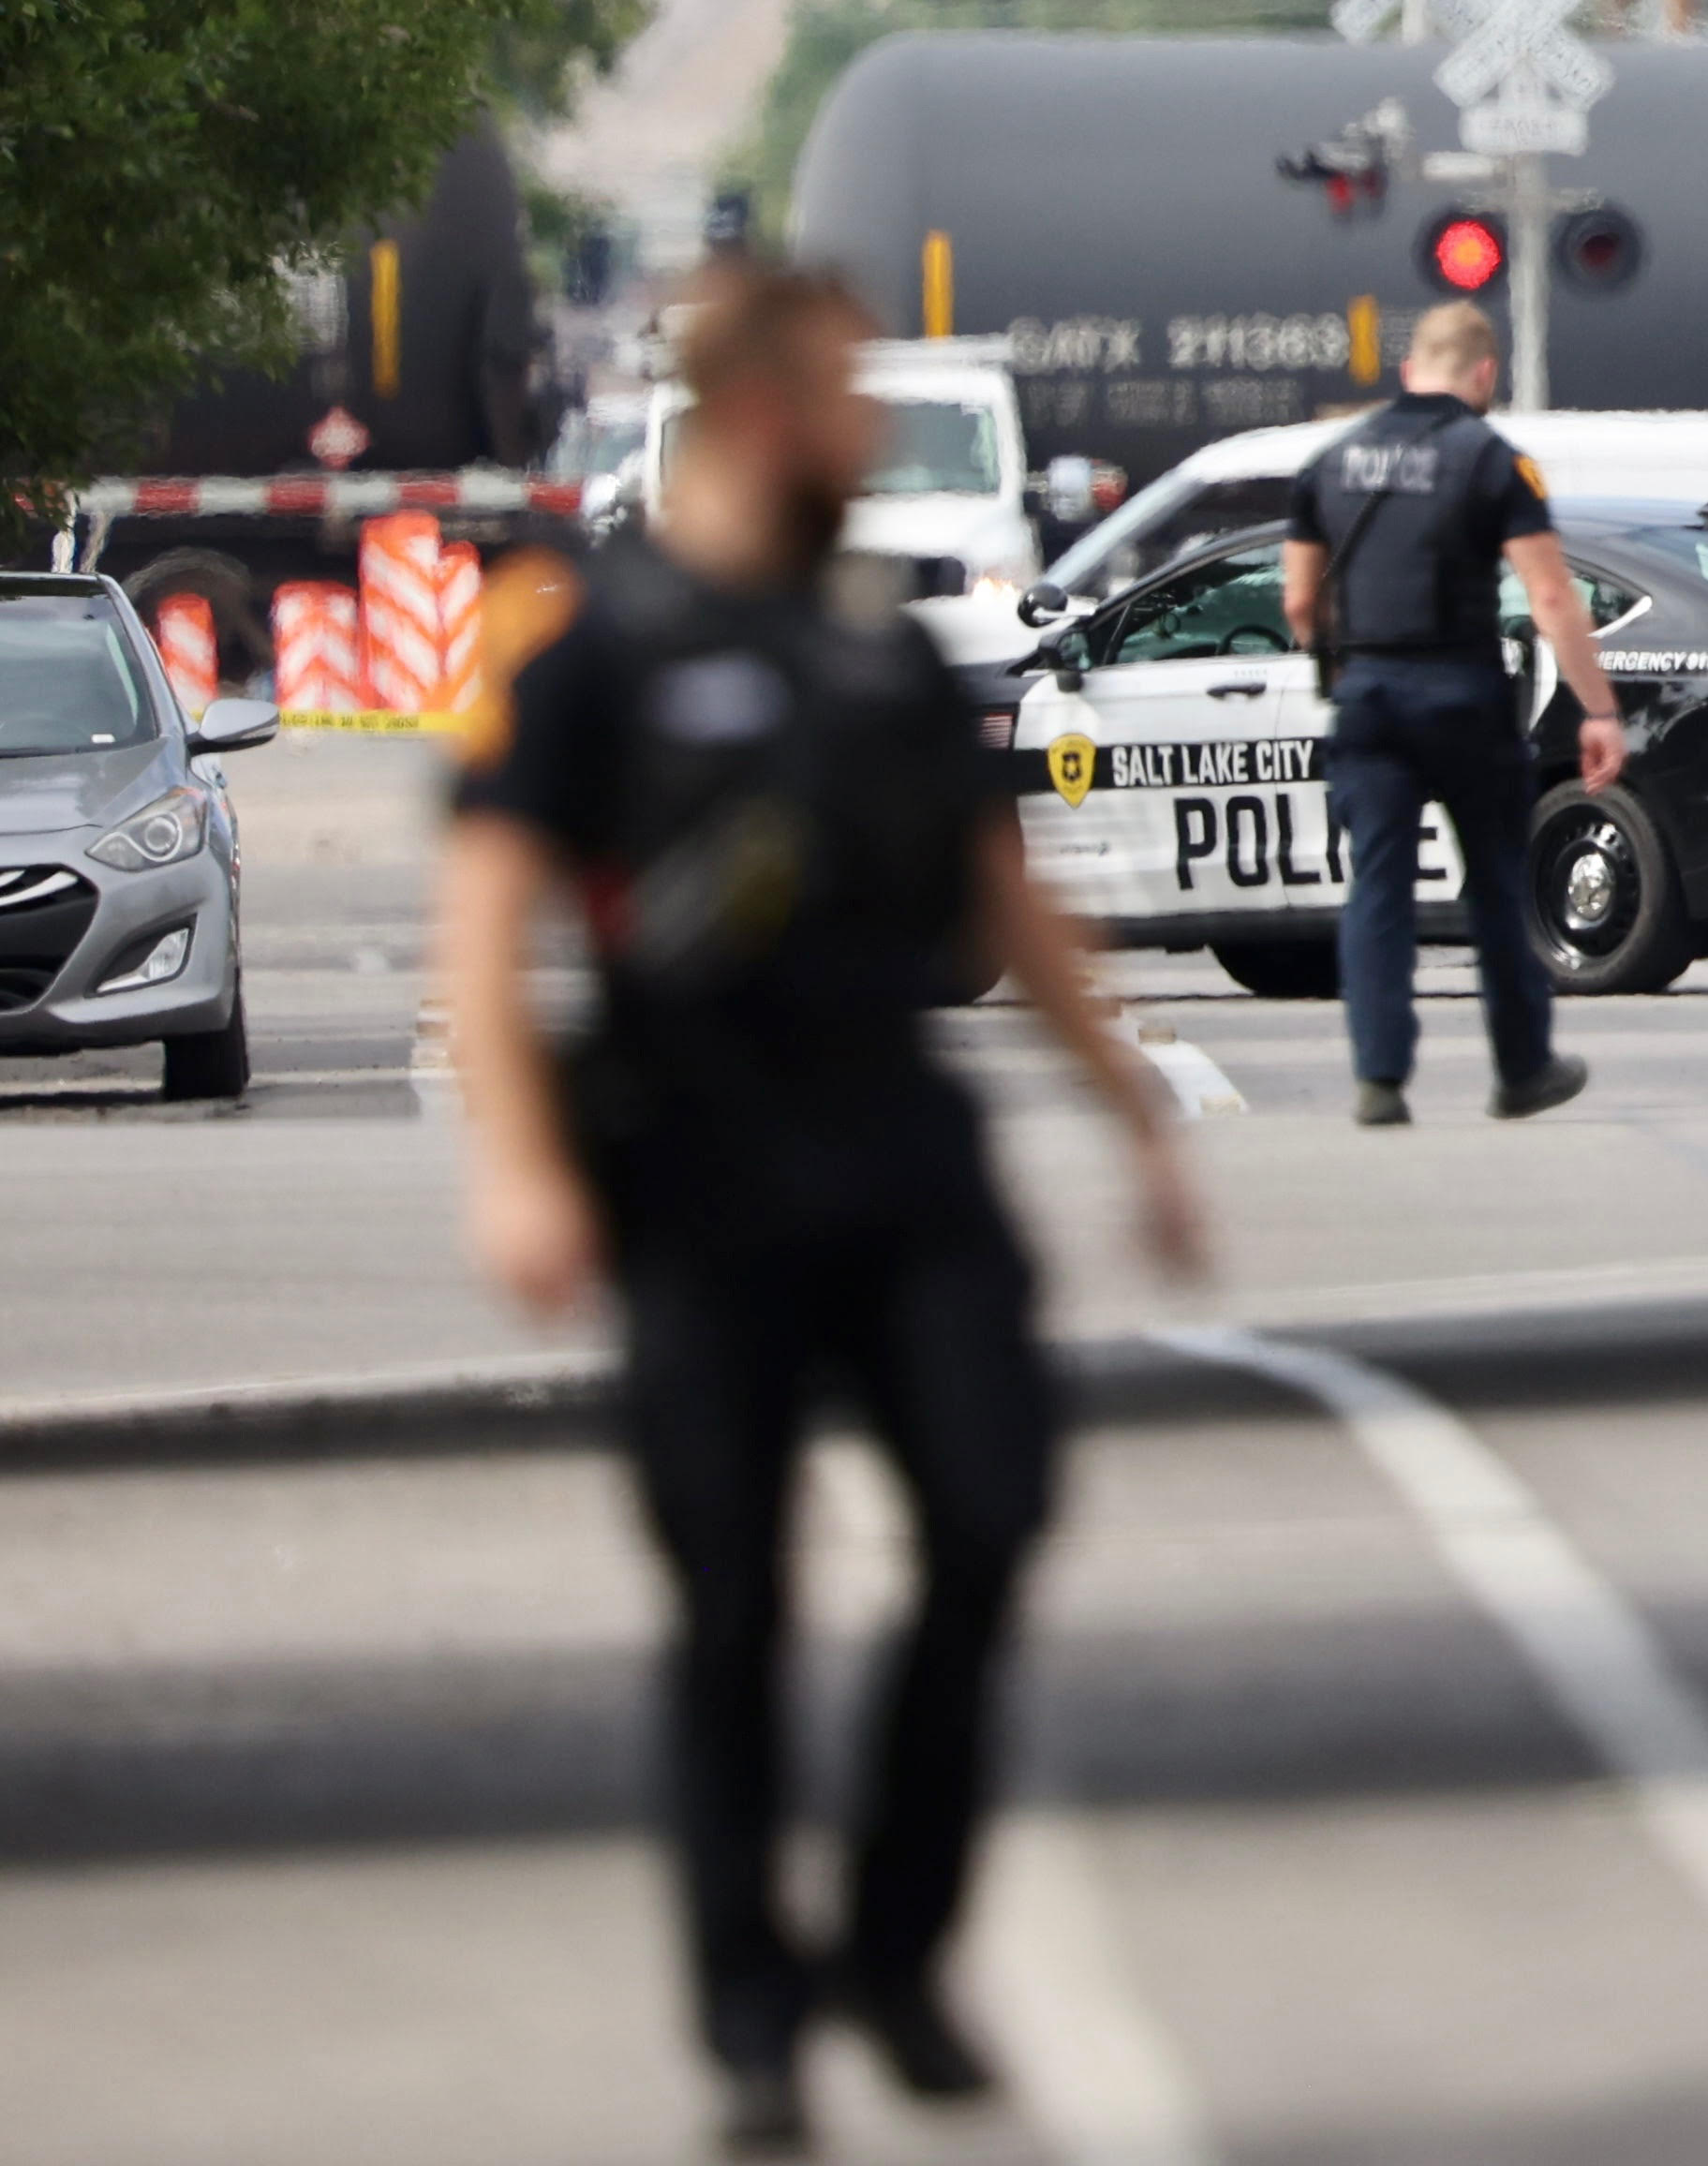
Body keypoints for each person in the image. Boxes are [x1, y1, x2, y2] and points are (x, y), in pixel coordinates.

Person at [435, 259, 1207, 2159]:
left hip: (906, 1167)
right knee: (733, 1604)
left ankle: (892, 1945)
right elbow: (486, 911)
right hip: (697, 1180)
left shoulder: (878, 642)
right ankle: (755, 2016)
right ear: (772, 413)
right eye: (853, 399)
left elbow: (999, 897)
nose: (873, 435)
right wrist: (521, 1166)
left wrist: (1135, 1116)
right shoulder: (588, 645)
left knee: (991, 1516)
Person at [1281, 297, 1627, 1127]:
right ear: (1484, 375)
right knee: (1497, 887)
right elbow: (1549, 594)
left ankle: (1379, 1079)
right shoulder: (1491, 460)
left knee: (1379, 887)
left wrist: (1348, 653)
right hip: (1463, 697)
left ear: (1407, 372)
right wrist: (1598, 709)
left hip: (1367, 700)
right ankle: (1520, 1069)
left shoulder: (1329, 463)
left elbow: (1298, 601)